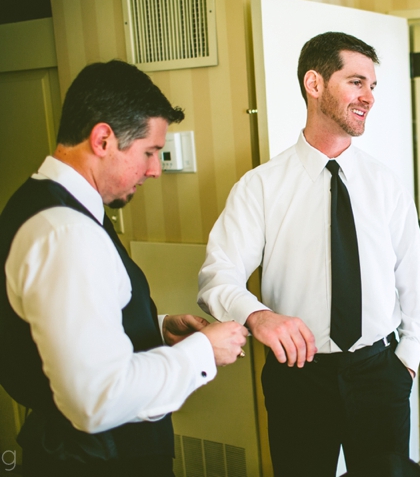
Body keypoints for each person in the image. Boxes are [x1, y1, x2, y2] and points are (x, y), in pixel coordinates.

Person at [198, 32, 420, 476]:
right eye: (356, 82)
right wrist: (257, 315)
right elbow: (218, 276)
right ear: (314, 83)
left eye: (372, 86)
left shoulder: (385, 183)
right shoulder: (260, 187)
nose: (369, 97)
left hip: (380, 372)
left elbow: (414, 277)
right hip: (299, 379)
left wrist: (406, 360)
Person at [0, 60, 247, 477]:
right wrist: (203, 351)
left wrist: (156, 327)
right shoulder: (67, 233)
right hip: (96, 463)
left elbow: (66, 325)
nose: (155, 169)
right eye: (149, 152)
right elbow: (98, 398)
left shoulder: (39, 205)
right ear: (102, 139)